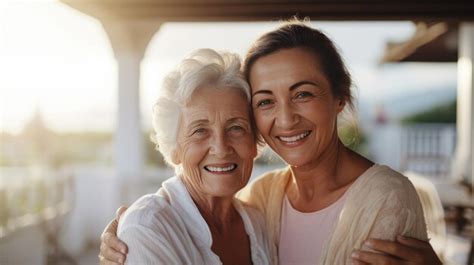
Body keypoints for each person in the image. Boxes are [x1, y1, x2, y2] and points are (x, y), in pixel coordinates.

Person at [99, 21, 442, 265]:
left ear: (340, 97)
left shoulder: (385, 199)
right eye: (265, 101)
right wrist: (132, 230)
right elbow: (158, 222)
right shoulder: (263, 200)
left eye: (303, 94)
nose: (286, 118)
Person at [110, 49, 270, 264]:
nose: (221, 148)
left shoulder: (258, 222)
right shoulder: (149, 227)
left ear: (254, 143)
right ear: (174, 148)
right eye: (200, 131)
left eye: (236, 128)